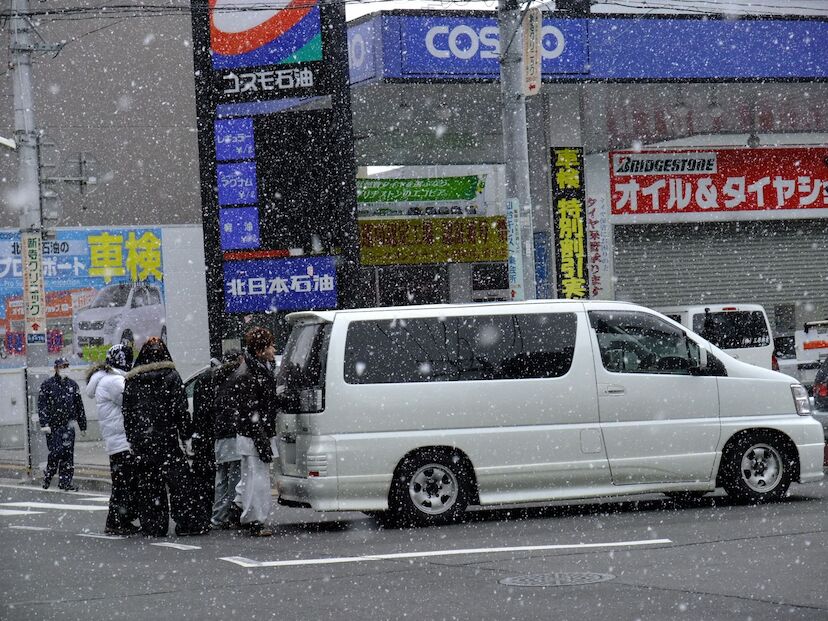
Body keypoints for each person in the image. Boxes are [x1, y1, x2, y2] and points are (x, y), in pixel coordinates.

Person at [122, 337, 207, 537]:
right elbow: (181, 410)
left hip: (143, 442)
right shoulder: (171, 376)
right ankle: (188, 523)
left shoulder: (132, 380)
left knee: (149, 485)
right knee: (181, 484)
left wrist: (132, 439)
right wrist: (186, 436)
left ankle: (154, 525)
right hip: (167, 440)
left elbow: (128, 413)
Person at [225, 327, 279, 537]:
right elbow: (252, 409)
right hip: (255, 432)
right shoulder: (252, 372)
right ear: (260, 350)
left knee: (250, 475)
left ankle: (240, 511)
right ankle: (256, 519)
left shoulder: (253, 368)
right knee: (258, 477)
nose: (274, 349)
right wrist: (262, 438)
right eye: (270, 346)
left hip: (250, 432)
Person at [85, 344, 140, 535]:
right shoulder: (115, 381)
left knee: (121, 483)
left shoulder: (106, 379)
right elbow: (133, 401)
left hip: (116, 442)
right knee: (125, 484)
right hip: (123, 441)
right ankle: (118, 521)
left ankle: (118, 520)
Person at [38, 358, 87, 491]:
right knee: (56, 451)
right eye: (62, 366)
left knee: (68, 454)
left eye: (66, 366)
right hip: (53, 426)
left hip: (69, 425)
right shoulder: (47, 385)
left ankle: (65, 482)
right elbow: (42, 405)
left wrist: (83, 425)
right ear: (56, 368)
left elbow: (79, 406)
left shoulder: (73, 385)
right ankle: (49, 473)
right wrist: (44, 423)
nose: (64, 368)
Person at [209, 349, 244, 529]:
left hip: (220, 434)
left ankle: (217, 516)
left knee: (222, 478)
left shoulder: (218, 379)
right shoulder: (238, 378)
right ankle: (230, 513)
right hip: (233, 433)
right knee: (235, 478)